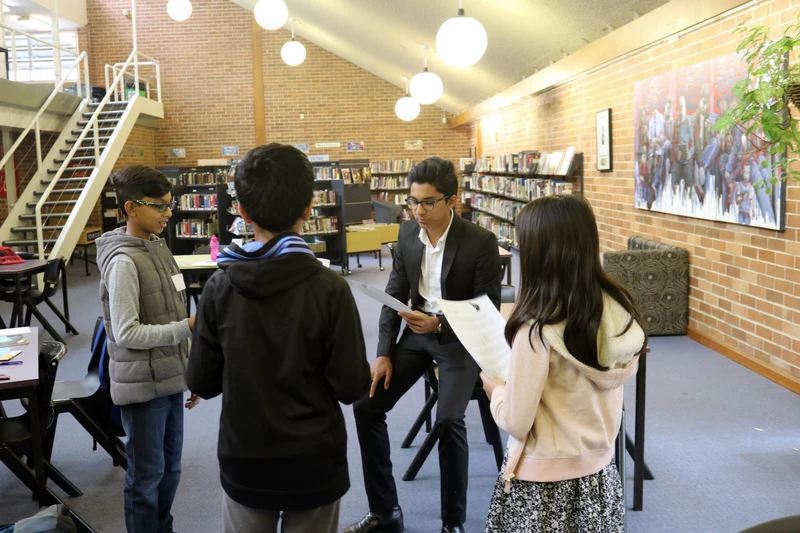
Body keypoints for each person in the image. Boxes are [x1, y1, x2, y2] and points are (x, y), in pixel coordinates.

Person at [185, 144, 371, 533]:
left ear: (243, 212)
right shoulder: (330, 288)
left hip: (244, 457)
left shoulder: (219, 286)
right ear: (308, 209)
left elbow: (201, 381)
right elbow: (351, 385)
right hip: (314, 462)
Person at [343, 157, 502, 533]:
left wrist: (440, 323)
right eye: (413, 201)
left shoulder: (480, 241)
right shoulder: (406, 235)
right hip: (416, 336)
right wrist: (382, 353)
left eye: (428, 202)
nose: (418, 211)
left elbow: (488, 309)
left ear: (452, 200)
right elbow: (393, 295)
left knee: (449, 419)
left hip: (460, 340)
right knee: (365, 406)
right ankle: (385, 513)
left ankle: (452, 523)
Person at [480, 194, 645, 533]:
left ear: (538, 252)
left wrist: (497, 391)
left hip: (543, 483)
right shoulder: (617, 310)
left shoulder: (537, 330)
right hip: (599, 476)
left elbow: (516, 421)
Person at [96, 165, 198, 533]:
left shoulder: (158, 247)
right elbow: (127, 333)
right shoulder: (123, 261)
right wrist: (186, 328)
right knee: (147, 475)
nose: (168, 214)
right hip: (142, 386)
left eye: (170, 206)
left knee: (171, 469)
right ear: (130, 208)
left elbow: (173, 308)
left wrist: (191, 369)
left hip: (170, 378)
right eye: (159, 207)